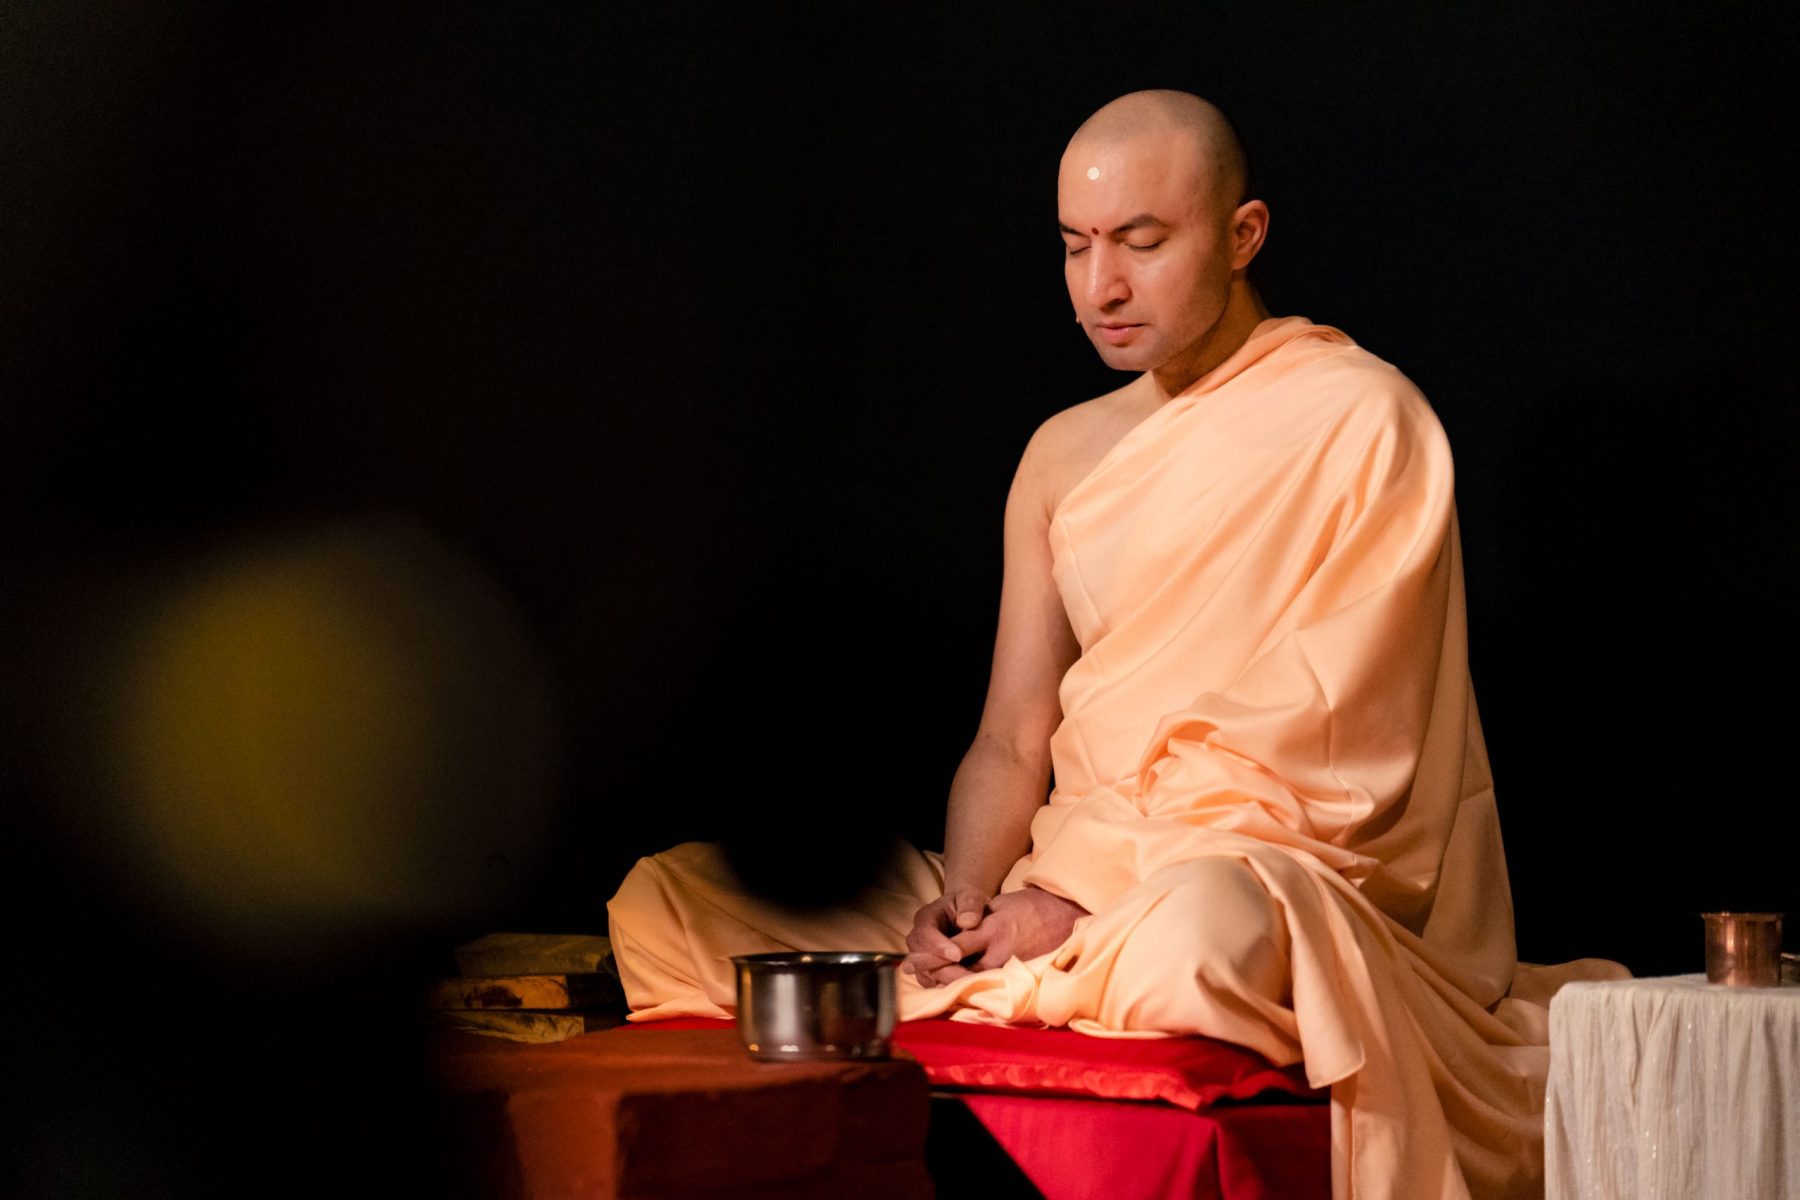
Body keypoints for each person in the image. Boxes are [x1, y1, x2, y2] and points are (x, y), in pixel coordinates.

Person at [607, 90, 1620, 1200]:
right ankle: (1005, 970)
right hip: (1059, 876)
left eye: (1141, 242)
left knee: (1198, 942)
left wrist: (1082, 904)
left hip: (1244, 873)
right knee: (668, 899)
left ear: (1243, 235)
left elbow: (1331, 749)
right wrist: (969, 907)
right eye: (1075, 246)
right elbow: (1011, 736)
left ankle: (1056, 962)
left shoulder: (1364, 420)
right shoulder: (1064, 452)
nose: (1103, 288)